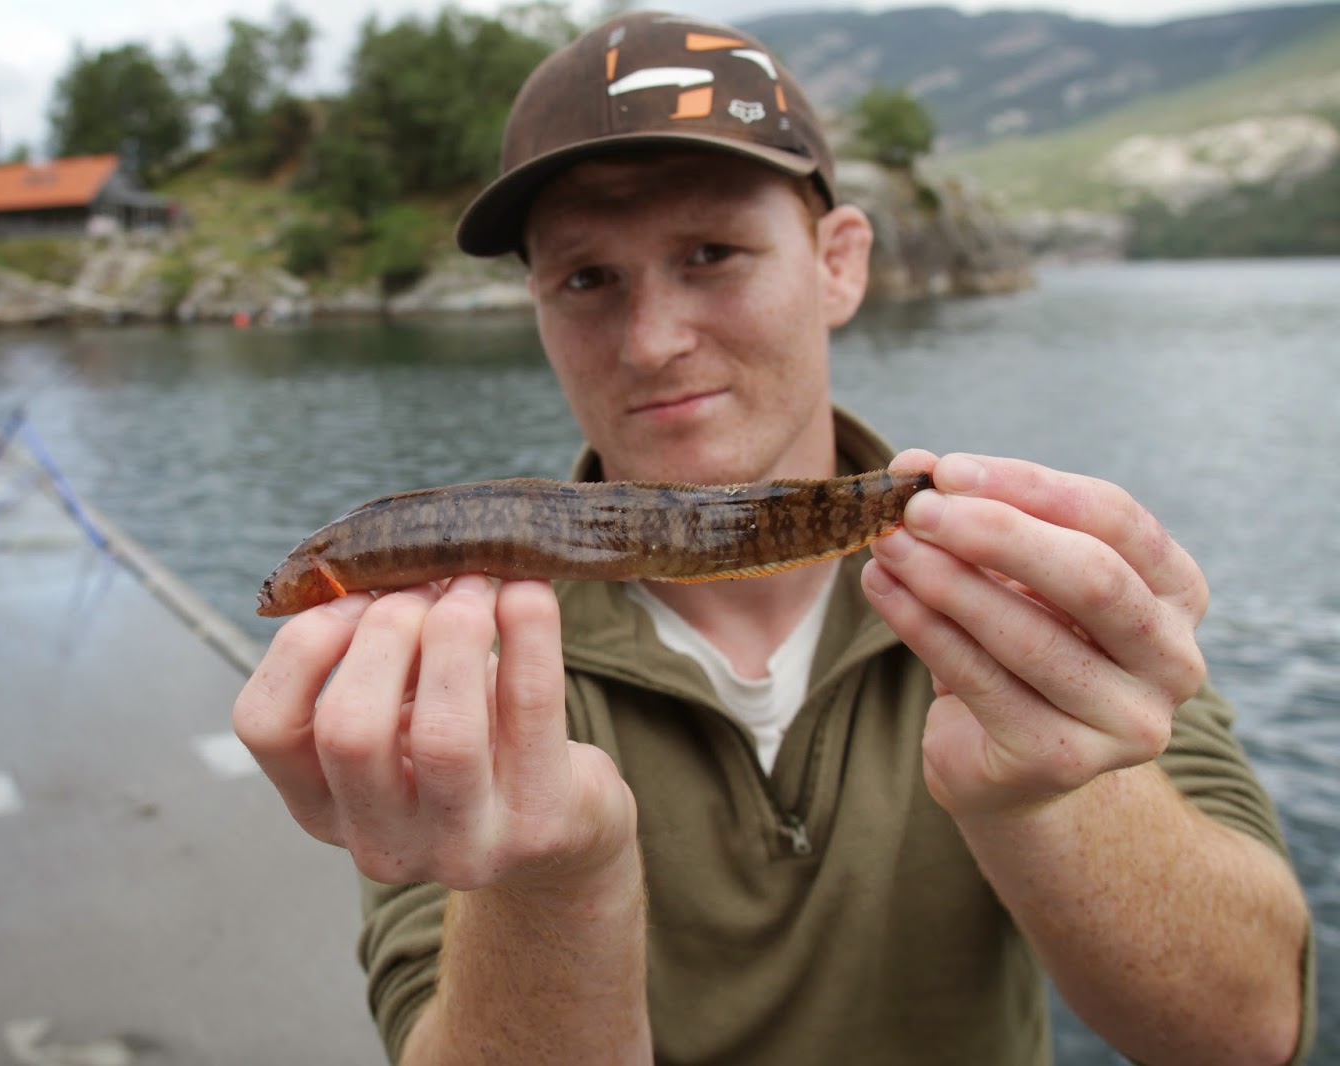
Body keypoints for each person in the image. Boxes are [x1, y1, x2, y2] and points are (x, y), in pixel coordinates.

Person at [234, 12, 1315, 1064]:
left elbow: (1251, 1037)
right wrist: (550, 881)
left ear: (838, 262)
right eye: (586, 278)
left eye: (712, 252)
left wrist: (1052, 785)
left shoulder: (1036, 586)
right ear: (536, 306)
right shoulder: (444, 665)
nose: (653, 341)